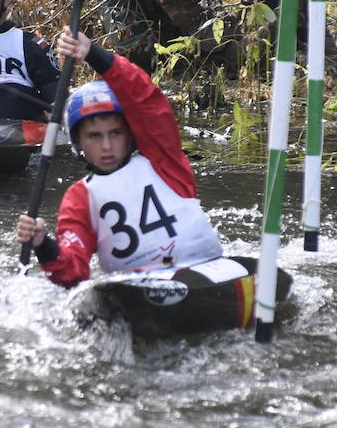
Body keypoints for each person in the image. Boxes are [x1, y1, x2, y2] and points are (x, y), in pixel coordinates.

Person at [15, 27, 224, 287]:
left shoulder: (163, 159)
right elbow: (73, 272)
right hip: (137, 291)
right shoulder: (80, 199)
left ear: (130, 134)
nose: (106, 145)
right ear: (78, 143)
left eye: (115, 133)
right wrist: (43, 244)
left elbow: (146, 97)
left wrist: (93, 54)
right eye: (94, 136)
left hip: (205, 271)